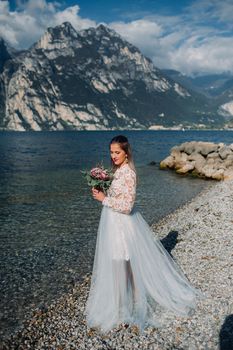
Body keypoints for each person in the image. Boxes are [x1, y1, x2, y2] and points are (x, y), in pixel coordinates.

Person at [84, 135, 204, 334]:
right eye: (111, 152)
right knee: (120, 262)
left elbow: (128, 205)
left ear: (126, 153)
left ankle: (129, 304)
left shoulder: (129, 173)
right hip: (113, 222)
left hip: (122, 224)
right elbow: (119, 195)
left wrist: (104, 199)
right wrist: (103, 188)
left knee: (123, 262)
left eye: (117, 152)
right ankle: (124, 301)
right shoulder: (118, 170)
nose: (113, 156)